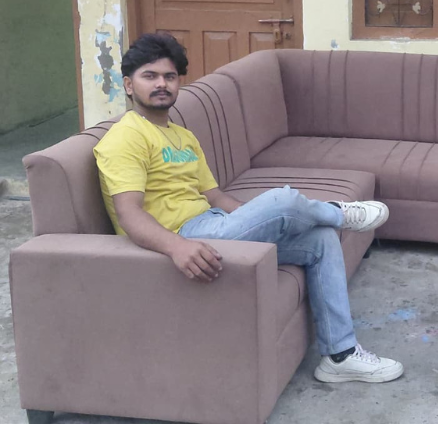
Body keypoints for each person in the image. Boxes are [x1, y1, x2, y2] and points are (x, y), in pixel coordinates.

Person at [94, 33, 404, 384]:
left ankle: (340, 356)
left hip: (214, 225)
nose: (161, 84)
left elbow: (215, 197)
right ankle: (339, 212)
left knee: (320, 239)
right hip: (185, 238)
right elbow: (129, 214)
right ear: (129, 85)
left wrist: (258, 217)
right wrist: (177, 247)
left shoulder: (183, 137)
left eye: (169, 76)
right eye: (150, 76)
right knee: (285, 199)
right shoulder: (126, 137)